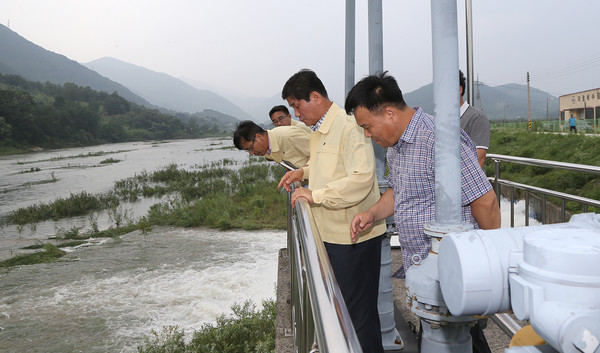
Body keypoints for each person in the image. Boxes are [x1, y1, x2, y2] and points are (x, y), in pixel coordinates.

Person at [346, 72, 501, 352]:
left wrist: (492, 263)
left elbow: (485, 201)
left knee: (460, 339)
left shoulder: (438, 141)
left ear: (390, 114)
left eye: (368, 127)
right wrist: (372, 214)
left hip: (452, 271)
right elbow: (398, 190)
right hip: (426, 276)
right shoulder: (397, 146)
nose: (368, 135)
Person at [278, 69, 386, 353]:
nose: (297, 114)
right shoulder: (320, 130)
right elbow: (329, 167)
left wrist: (315, 195)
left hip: (354, 235)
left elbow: (361, 177)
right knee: (343, 309)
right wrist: (303, 171)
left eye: (298, 106)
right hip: (334, 234)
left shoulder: (349, 126)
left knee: (357, 316)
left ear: (315, 97)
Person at [233, 120, 310, 169]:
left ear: (258, 137)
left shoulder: (289, 136)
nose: (251, 153)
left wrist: (304, 171)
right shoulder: (267, 149)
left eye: (250, 148)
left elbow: (320, 152)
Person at [459, 70, 490, 168]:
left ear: (459, 90)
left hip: (464, 182)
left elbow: (479, 159)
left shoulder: (477, 118)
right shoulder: (442, 120)